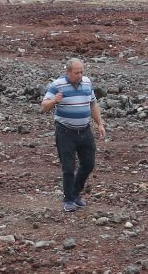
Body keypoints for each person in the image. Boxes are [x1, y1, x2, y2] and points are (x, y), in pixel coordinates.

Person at [41, 58, 105, 213]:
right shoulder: (57, 85)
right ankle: (69, 199)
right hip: (65, 132)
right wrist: (54, 101)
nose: (80, 75)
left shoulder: (87, 83)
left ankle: (75, 192)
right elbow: (43, 107)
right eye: (77, 73)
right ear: (68, 72)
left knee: (88, 164)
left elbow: (93, 103)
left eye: (82, 72)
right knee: (68, 168)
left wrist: (100, 124)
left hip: (85, 131)